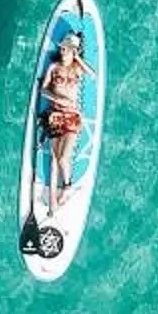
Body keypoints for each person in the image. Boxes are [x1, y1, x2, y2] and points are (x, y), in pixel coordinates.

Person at [38, 29, 89, 214]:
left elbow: (93, 75)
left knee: (63, 158)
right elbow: (43, 90)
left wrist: (78, 58)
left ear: (73, 51)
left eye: (66, 49)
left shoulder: (77, 68)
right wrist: (58, 99)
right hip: (55, 115)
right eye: (62, 48)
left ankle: (67, 186)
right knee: (54, 158)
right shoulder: (53, 67)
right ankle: (52, 202)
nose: (62, 51)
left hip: (72, 117)